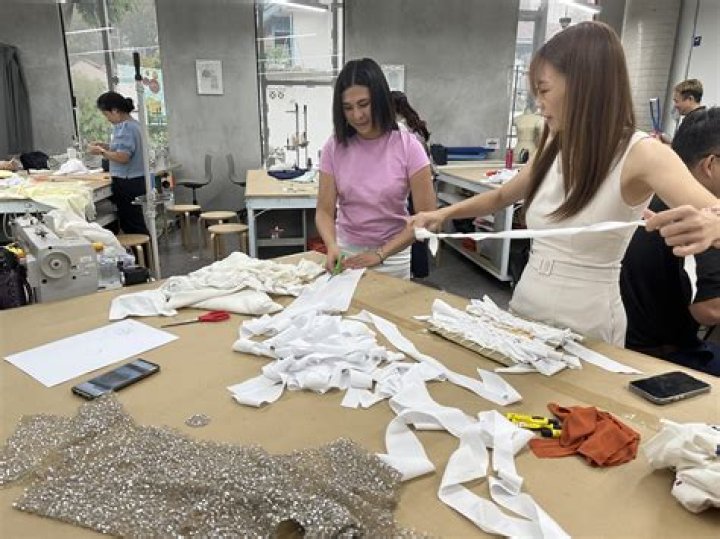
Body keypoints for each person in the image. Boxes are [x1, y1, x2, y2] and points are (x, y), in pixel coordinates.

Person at [409, 21, 717, 347]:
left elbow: (713, 211)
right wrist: (442, 214)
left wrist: (712, 225)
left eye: (544, 90)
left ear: (584, 86)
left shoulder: (643, 153)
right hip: (526, 306)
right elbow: (501, 196)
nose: (538, 104)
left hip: (587, 322)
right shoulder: (554, 143)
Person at [316, 58, 436, 280]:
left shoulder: (408, 146)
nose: (357, 115)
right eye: (348, 108)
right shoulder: (334, 147)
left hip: (394, 256)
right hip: (346, 254)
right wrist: (331, 245)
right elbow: (324, 211)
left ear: (380, 100)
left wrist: (381, 254)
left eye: (364, 104)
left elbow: (428, 217)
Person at [621, 107, 720, 375]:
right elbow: (709, 310)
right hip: (663, 358)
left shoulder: (646, 196)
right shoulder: (702, 217)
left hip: (624, 340)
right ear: (710, 165)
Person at [87, 91, 148, 235]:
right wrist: (106, 146)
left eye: (106, 114)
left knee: (132, 226)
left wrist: (101, 152)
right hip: (137, 179)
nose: (107, 119)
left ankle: (140, 249)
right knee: (135, 221)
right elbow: (124, 148)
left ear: (114, 110)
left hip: (127, 182)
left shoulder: (125, 128)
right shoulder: (135, 125)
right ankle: (143, 248)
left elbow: (123, 157)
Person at [391, 90, 433, 278]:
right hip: (424, 179)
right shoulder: (416, 124)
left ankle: (417, 270)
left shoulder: (403, 130)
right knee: (419, 223)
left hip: (413, 182)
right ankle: (420, 269)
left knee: (415, 225)